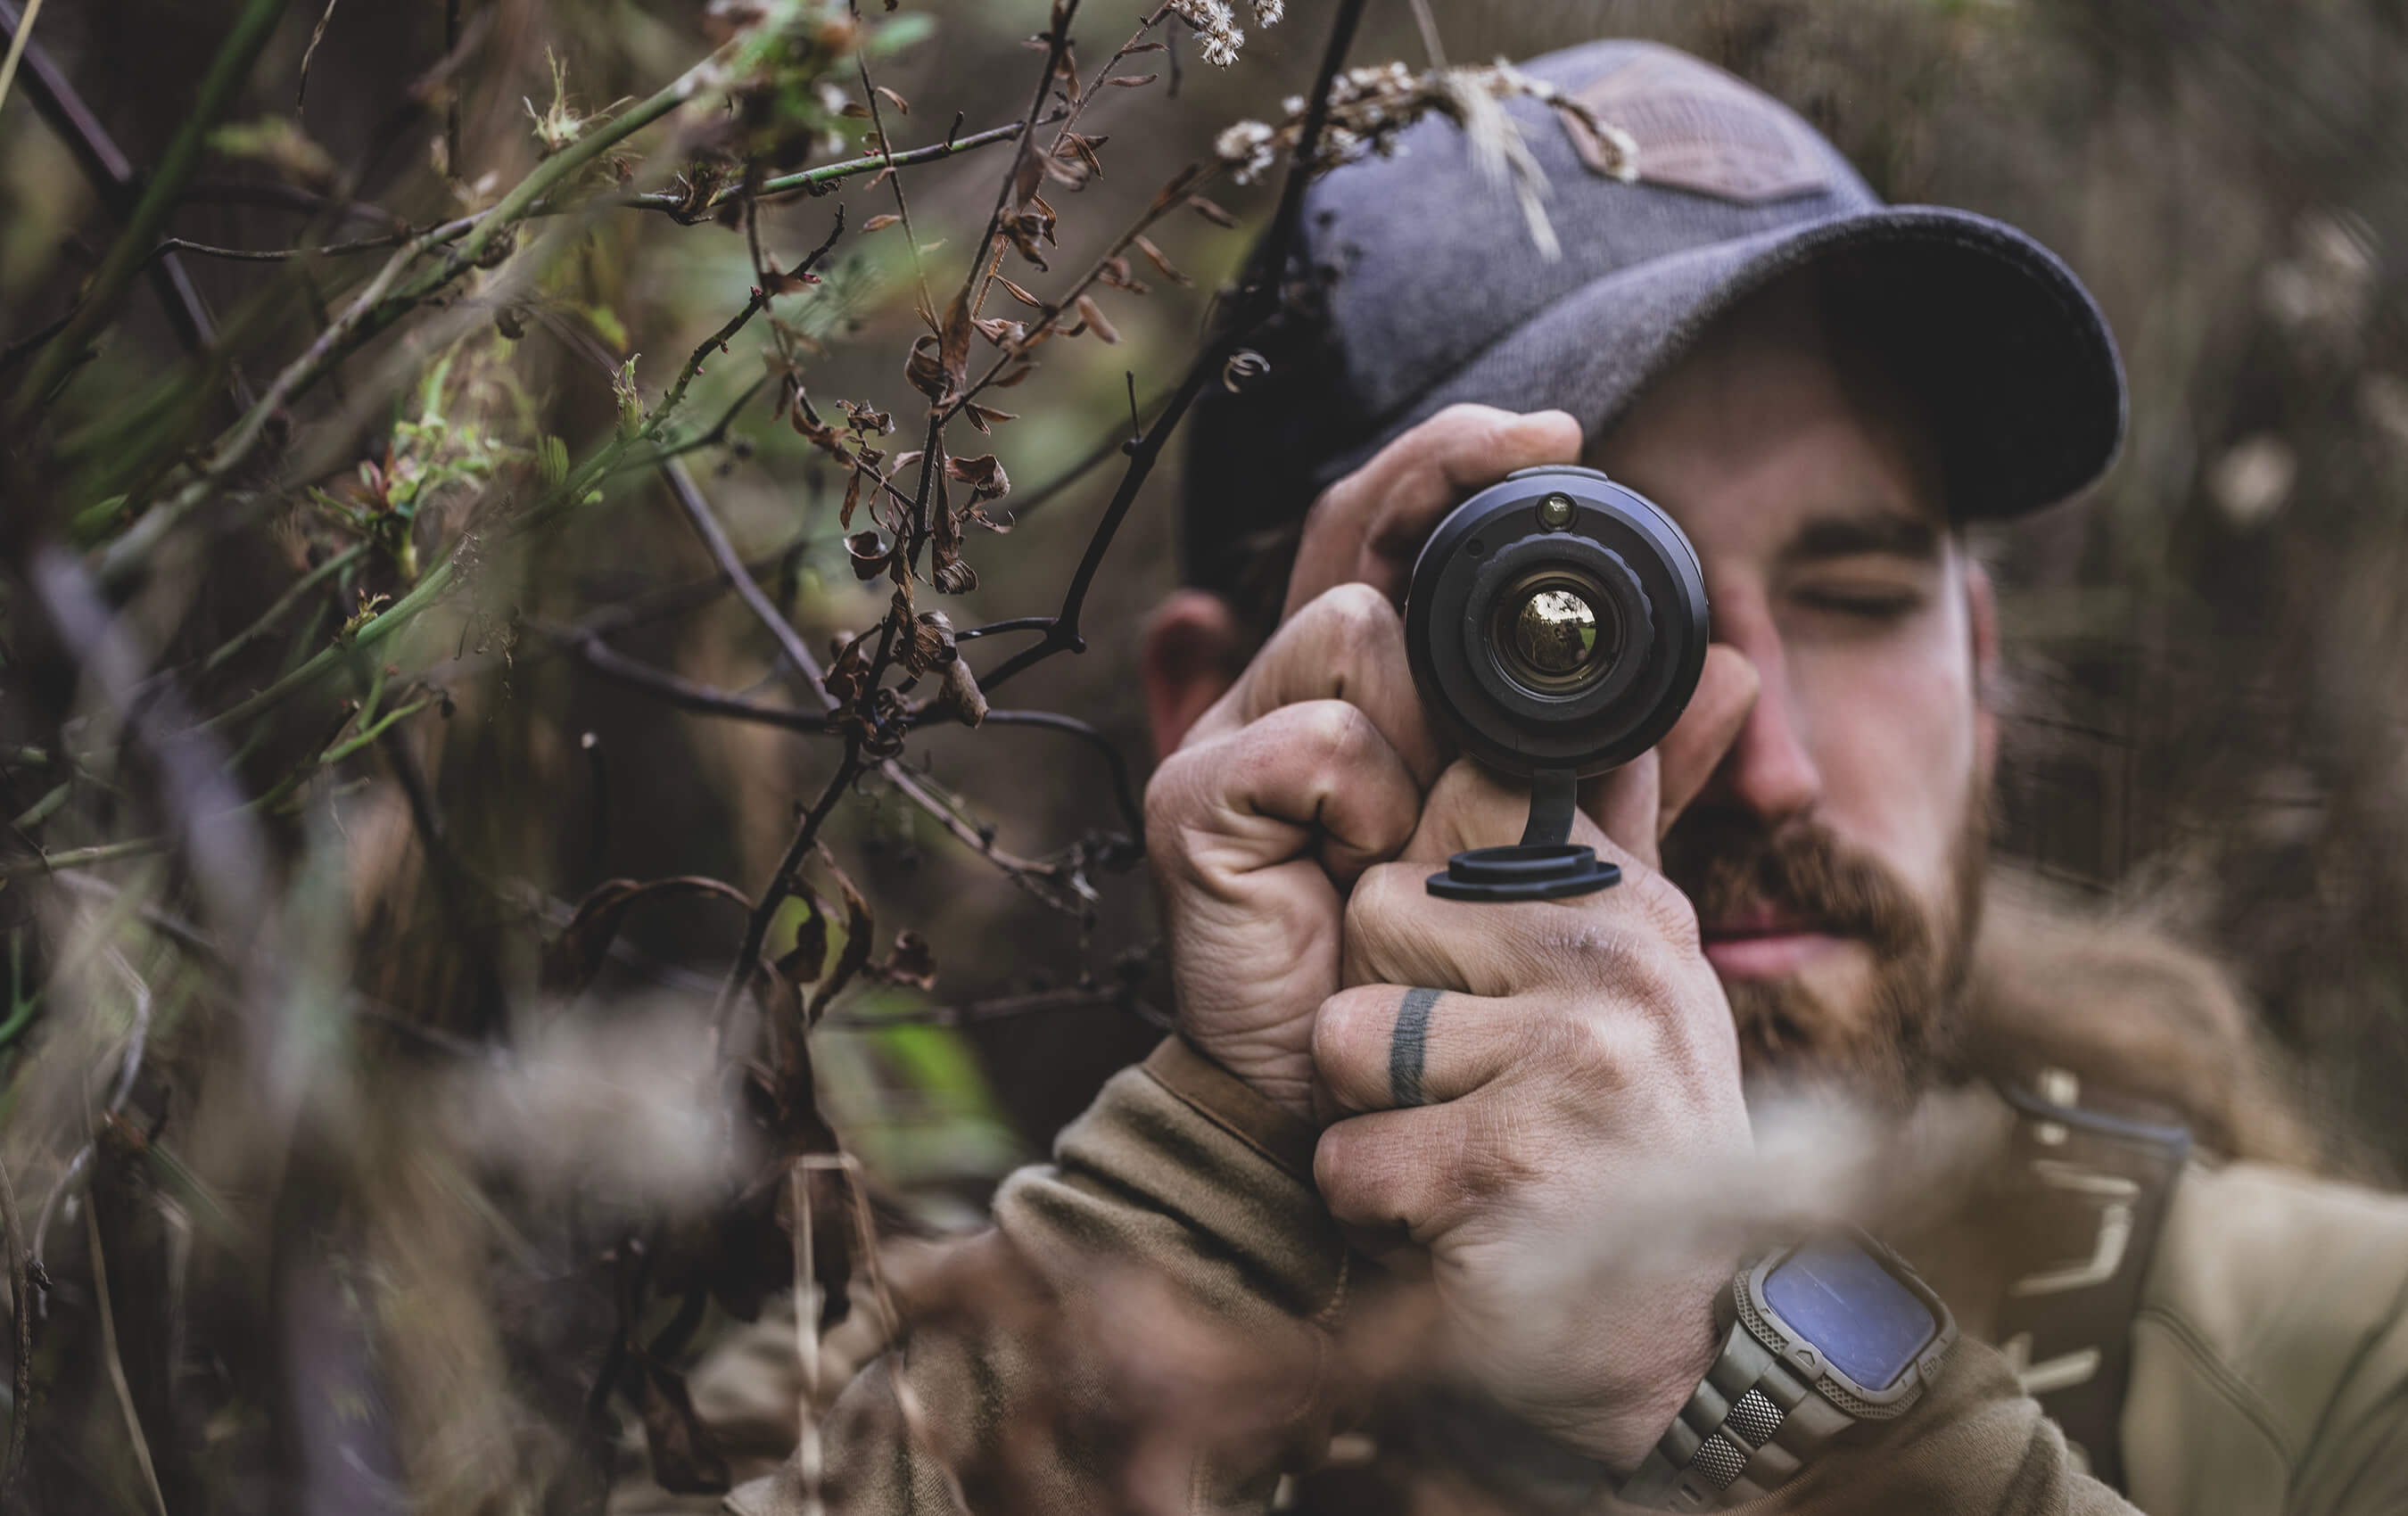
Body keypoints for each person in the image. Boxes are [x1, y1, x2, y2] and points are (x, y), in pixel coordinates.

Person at [724, 38, 2408, 1516]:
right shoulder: (829, 1374)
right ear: (1226, 721)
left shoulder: (2324, 1359)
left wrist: (1732, 1367)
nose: (1769, 762)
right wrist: (1215, 1173)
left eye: (1861, 597)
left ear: (1983, 662)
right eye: (1573, 618)